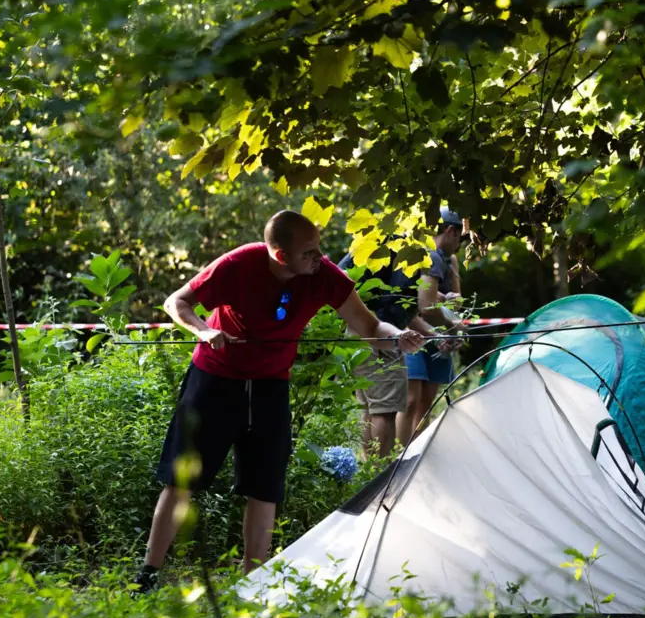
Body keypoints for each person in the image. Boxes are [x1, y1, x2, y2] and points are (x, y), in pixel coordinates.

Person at [134, 211, 425, 592]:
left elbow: (370, 327)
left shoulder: (324, 275)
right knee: (181, 479)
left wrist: (396, 337)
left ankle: (253, 583)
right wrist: (203, 331)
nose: (319, 257)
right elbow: (177, 302)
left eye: (318, 248)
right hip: (214, 380)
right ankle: (148, 575)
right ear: (280, 255)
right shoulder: (239, 264)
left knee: (265, 486)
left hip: (271, 386)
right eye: (308, 252)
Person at [336, 247, 442, 458]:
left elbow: (340, 276)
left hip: (354, 329)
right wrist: (447, 318)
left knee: (370, 408)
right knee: (384, 410)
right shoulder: (425, 255)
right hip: (382, 334)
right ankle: (380, 472)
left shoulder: (372, 242)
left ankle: (369, 470)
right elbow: (426, 305)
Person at [406, 207, 468, 435]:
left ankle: (418, 447)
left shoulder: (451, 261)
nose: (460, 244)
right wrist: (433, 297)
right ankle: (400, 451)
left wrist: (451, 299)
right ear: (450, 231)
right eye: (460, 236)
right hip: (413, 327)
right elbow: (414, 297)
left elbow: (458, 300)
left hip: (441, 333)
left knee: (426, 403)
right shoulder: (419, 254)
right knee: (410, 400)